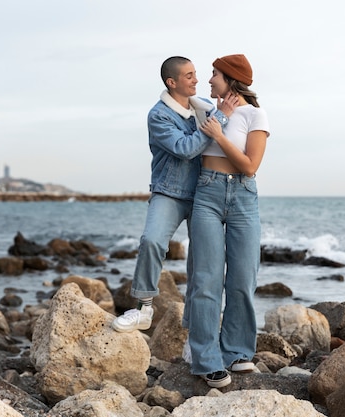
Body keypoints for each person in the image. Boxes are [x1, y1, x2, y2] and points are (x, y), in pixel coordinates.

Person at [112, 56, 236, 333]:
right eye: (189, 75)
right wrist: (219, 118)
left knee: (200, 264)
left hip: (204, 193)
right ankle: (144, 307)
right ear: (172, 82)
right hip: (169, 192)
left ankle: (195, 330)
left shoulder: (203, 107)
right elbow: (184, 148)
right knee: (152, 241)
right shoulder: (159, 115)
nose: (196, 79)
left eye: (196, 74)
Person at [186, 54, 270, 388]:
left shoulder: (255, 114)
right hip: (206, 193)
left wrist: (219, 136)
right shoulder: (206, 110)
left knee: (242, 278)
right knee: (206, 280)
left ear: (231, 79)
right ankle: (206, 360)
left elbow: (250, 166)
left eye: (214, 74)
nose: (208, 80)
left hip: (243, 197)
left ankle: (236, 353)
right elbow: (174, 89)